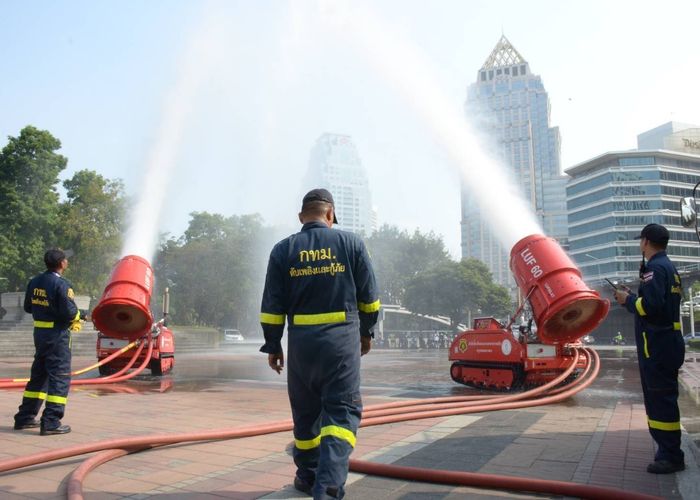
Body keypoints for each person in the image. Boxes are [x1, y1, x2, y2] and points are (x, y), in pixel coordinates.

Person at [259, 188, 379, 499]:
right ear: (330, 215)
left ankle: (308, 475)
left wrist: (273, 345)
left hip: (301, 348)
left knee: (306, 413)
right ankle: (326, 488)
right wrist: (367, 333)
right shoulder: (350, 243)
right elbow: (370, 299)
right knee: (341, 415)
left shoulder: (282, 250)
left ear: (302, 217)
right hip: (340, 345)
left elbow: (272, 306)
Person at [613, 223, 685, 474]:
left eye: (640, 241)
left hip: (657, 346)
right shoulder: (669, 267)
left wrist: (628, 300)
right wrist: (635, 296)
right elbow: (661, 302)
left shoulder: (654, 268)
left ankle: (670, 455)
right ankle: (668, 451)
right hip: (666, 343)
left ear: (645, 242)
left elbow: (651, 307)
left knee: (660, 400)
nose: (639, 245)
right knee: (663, 397)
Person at [13, 249, 81, 435]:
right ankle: (51, 422)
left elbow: (28, 307)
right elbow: (68, 312)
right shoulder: (61, 284)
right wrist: (78, 316)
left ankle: (25, 417)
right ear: (62, 264)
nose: (67, 262)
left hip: (40, 334)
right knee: (59, 377)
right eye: (66, 260)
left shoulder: (35, 281)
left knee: (39, 376)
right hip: (57, 336)